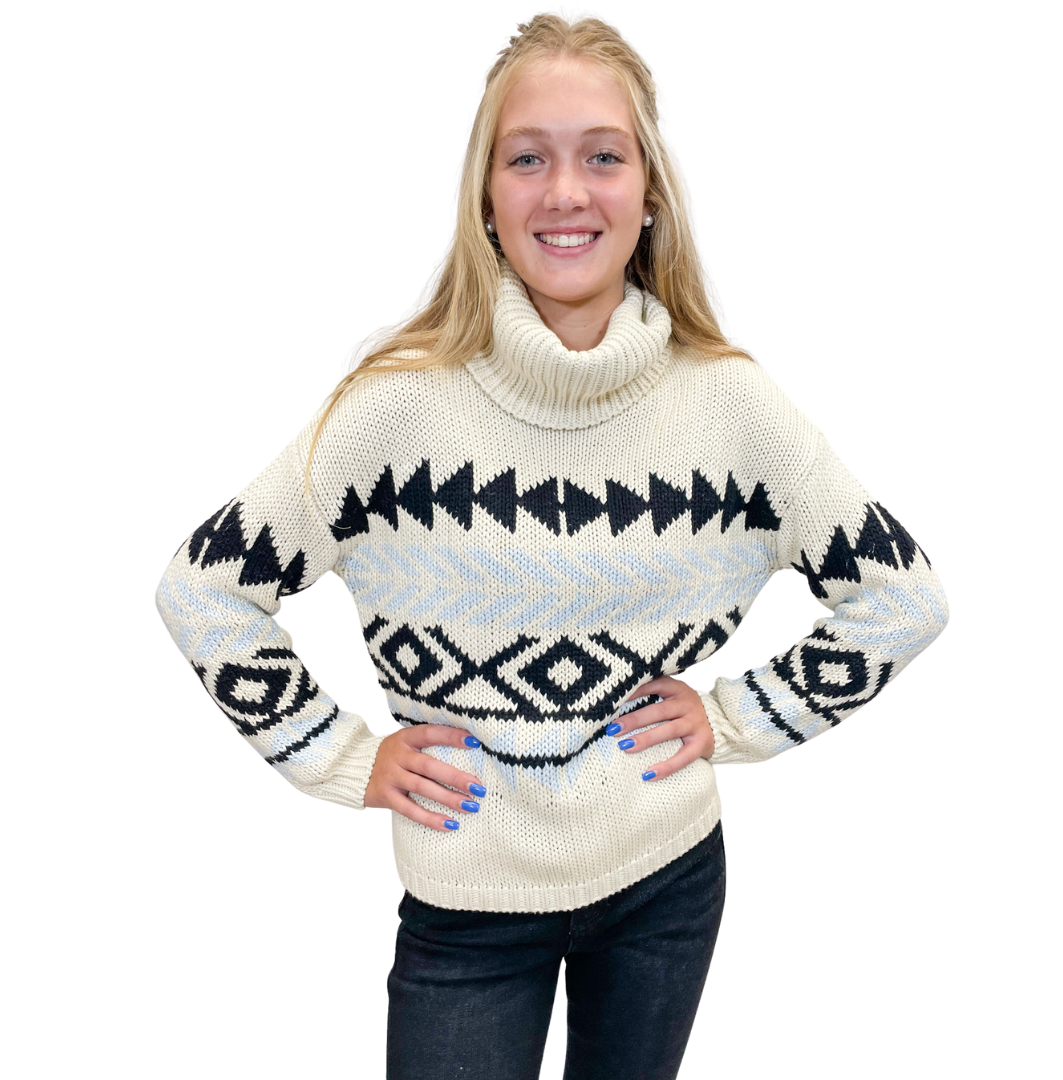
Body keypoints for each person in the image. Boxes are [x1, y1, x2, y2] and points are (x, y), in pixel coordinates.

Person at [155, 13, 949, 1079]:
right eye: (527, 158)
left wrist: (732, 718)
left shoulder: (731, 407)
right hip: (467, 908)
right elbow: (205, 590)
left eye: (603, 157)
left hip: (667, 881)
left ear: (650, 192)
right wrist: (343, 757)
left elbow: (902, 598)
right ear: (485, 195)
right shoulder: (395, 410)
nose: (566, 191)